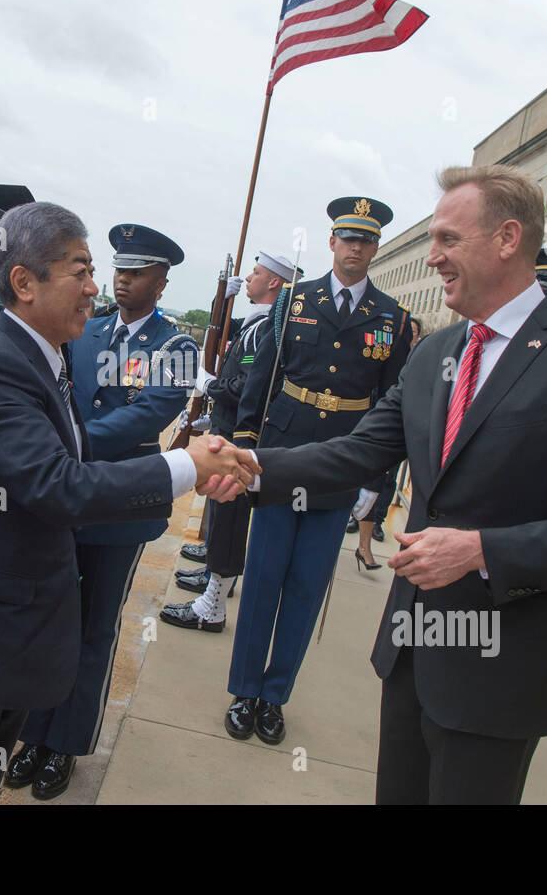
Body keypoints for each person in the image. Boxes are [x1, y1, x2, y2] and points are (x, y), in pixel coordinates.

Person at [208, 165, 547, 803]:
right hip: (414, 648)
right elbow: (358, 450)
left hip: (504, 663)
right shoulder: (435, 353)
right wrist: (251, 466)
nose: (433, 258)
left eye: (449, 240)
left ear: (508, 238)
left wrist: (484, 550)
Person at [0, 201, 256, 805]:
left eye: (95, 271)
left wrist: (183, 467)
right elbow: (56, 481)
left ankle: (61, 744)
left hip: (9, 624)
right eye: (80, 270)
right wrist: (186, 466)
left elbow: (118, 426)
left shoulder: (57, 353)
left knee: (88, 638)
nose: (97, 284)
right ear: (25, 283)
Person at [2, 223, 199, 800]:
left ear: (161, 282)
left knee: (93, 627)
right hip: (68, 494)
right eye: (118, 270)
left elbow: (151, 413)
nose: (121, 281)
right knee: (50, 619)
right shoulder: (85, 329)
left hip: (119, 501)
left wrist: (70, 440)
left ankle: (67, 743)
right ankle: (33, 736)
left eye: (136, 273)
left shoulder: (177, 348)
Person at [221, 195, 412, 746]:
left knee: (306, 588)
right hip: (281, 458)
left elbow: (390, 406)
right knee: (263, 580)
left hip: (342, 466)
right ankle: (244, 690)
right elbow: (264, 377)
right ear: (331, 243)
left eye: (366, 240)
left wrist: (375, 483)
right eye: (347, 237)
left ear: (376, 249)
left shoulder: (393, 319)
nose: (355, 247)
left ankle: (275, 695)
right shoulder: (295, 300)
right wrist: (246, 448)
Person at [162, 251, 295, 630]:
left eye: (255, 273)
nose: (248, 278)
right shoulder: (255, 322)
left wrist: (209, 385)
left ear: (274, 283)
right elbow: (219, 328)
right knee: (221, 518)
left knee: (231, 520)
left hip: (239, 433)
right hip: (227, 427)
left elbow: (245, 387)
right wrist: (223, 294)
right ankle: (211, 583)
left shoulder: (267, 328)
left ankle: (213, 607)